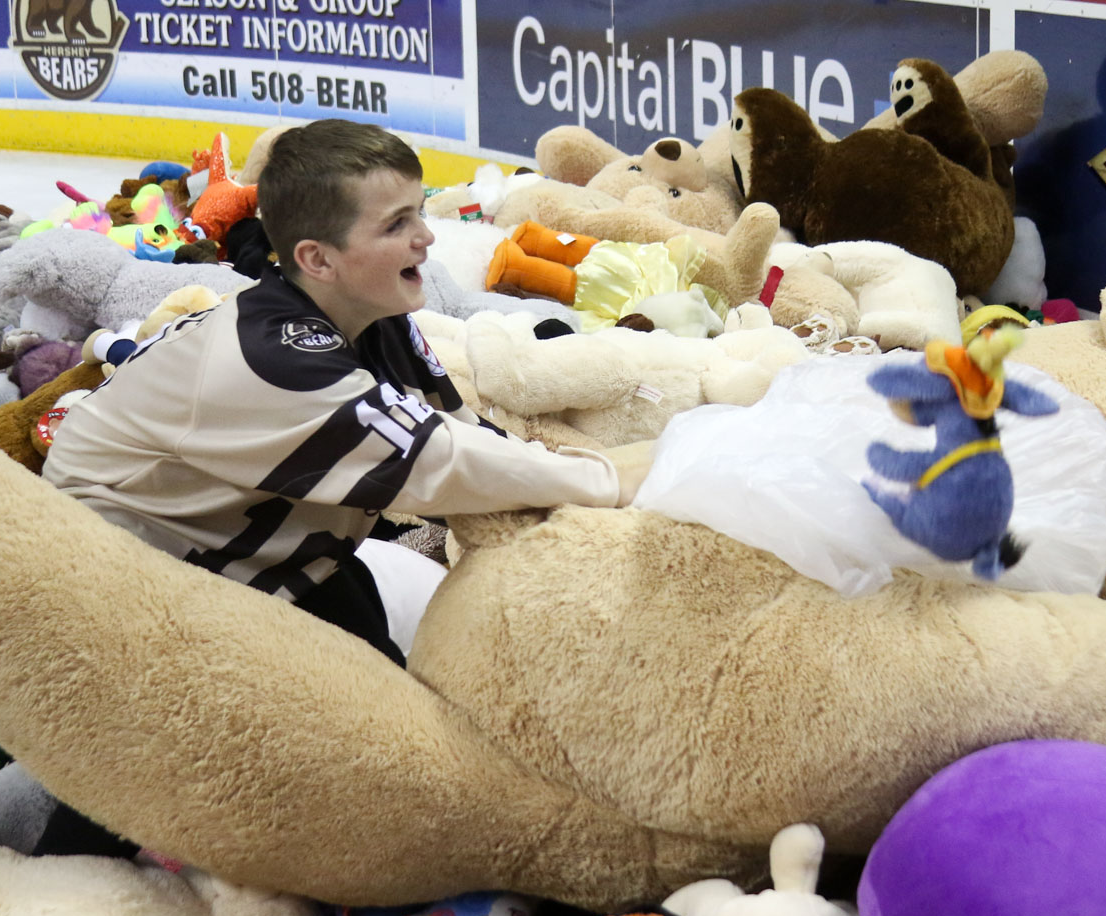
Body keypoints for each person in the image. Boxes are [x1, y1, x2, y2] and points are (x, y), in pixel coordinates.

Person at [44, 119, 651, 669]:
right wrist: (612, 480)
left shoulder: (372, 317)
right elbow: (432, 463)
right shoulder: (273, 362)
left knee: (380, 665)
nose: (426, 238)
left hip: (245, 555)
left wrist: (573, 477)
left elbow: (464, 436)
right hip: (109, 593)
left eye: (418, 212)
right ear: (317, 259)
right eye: (396, 224)